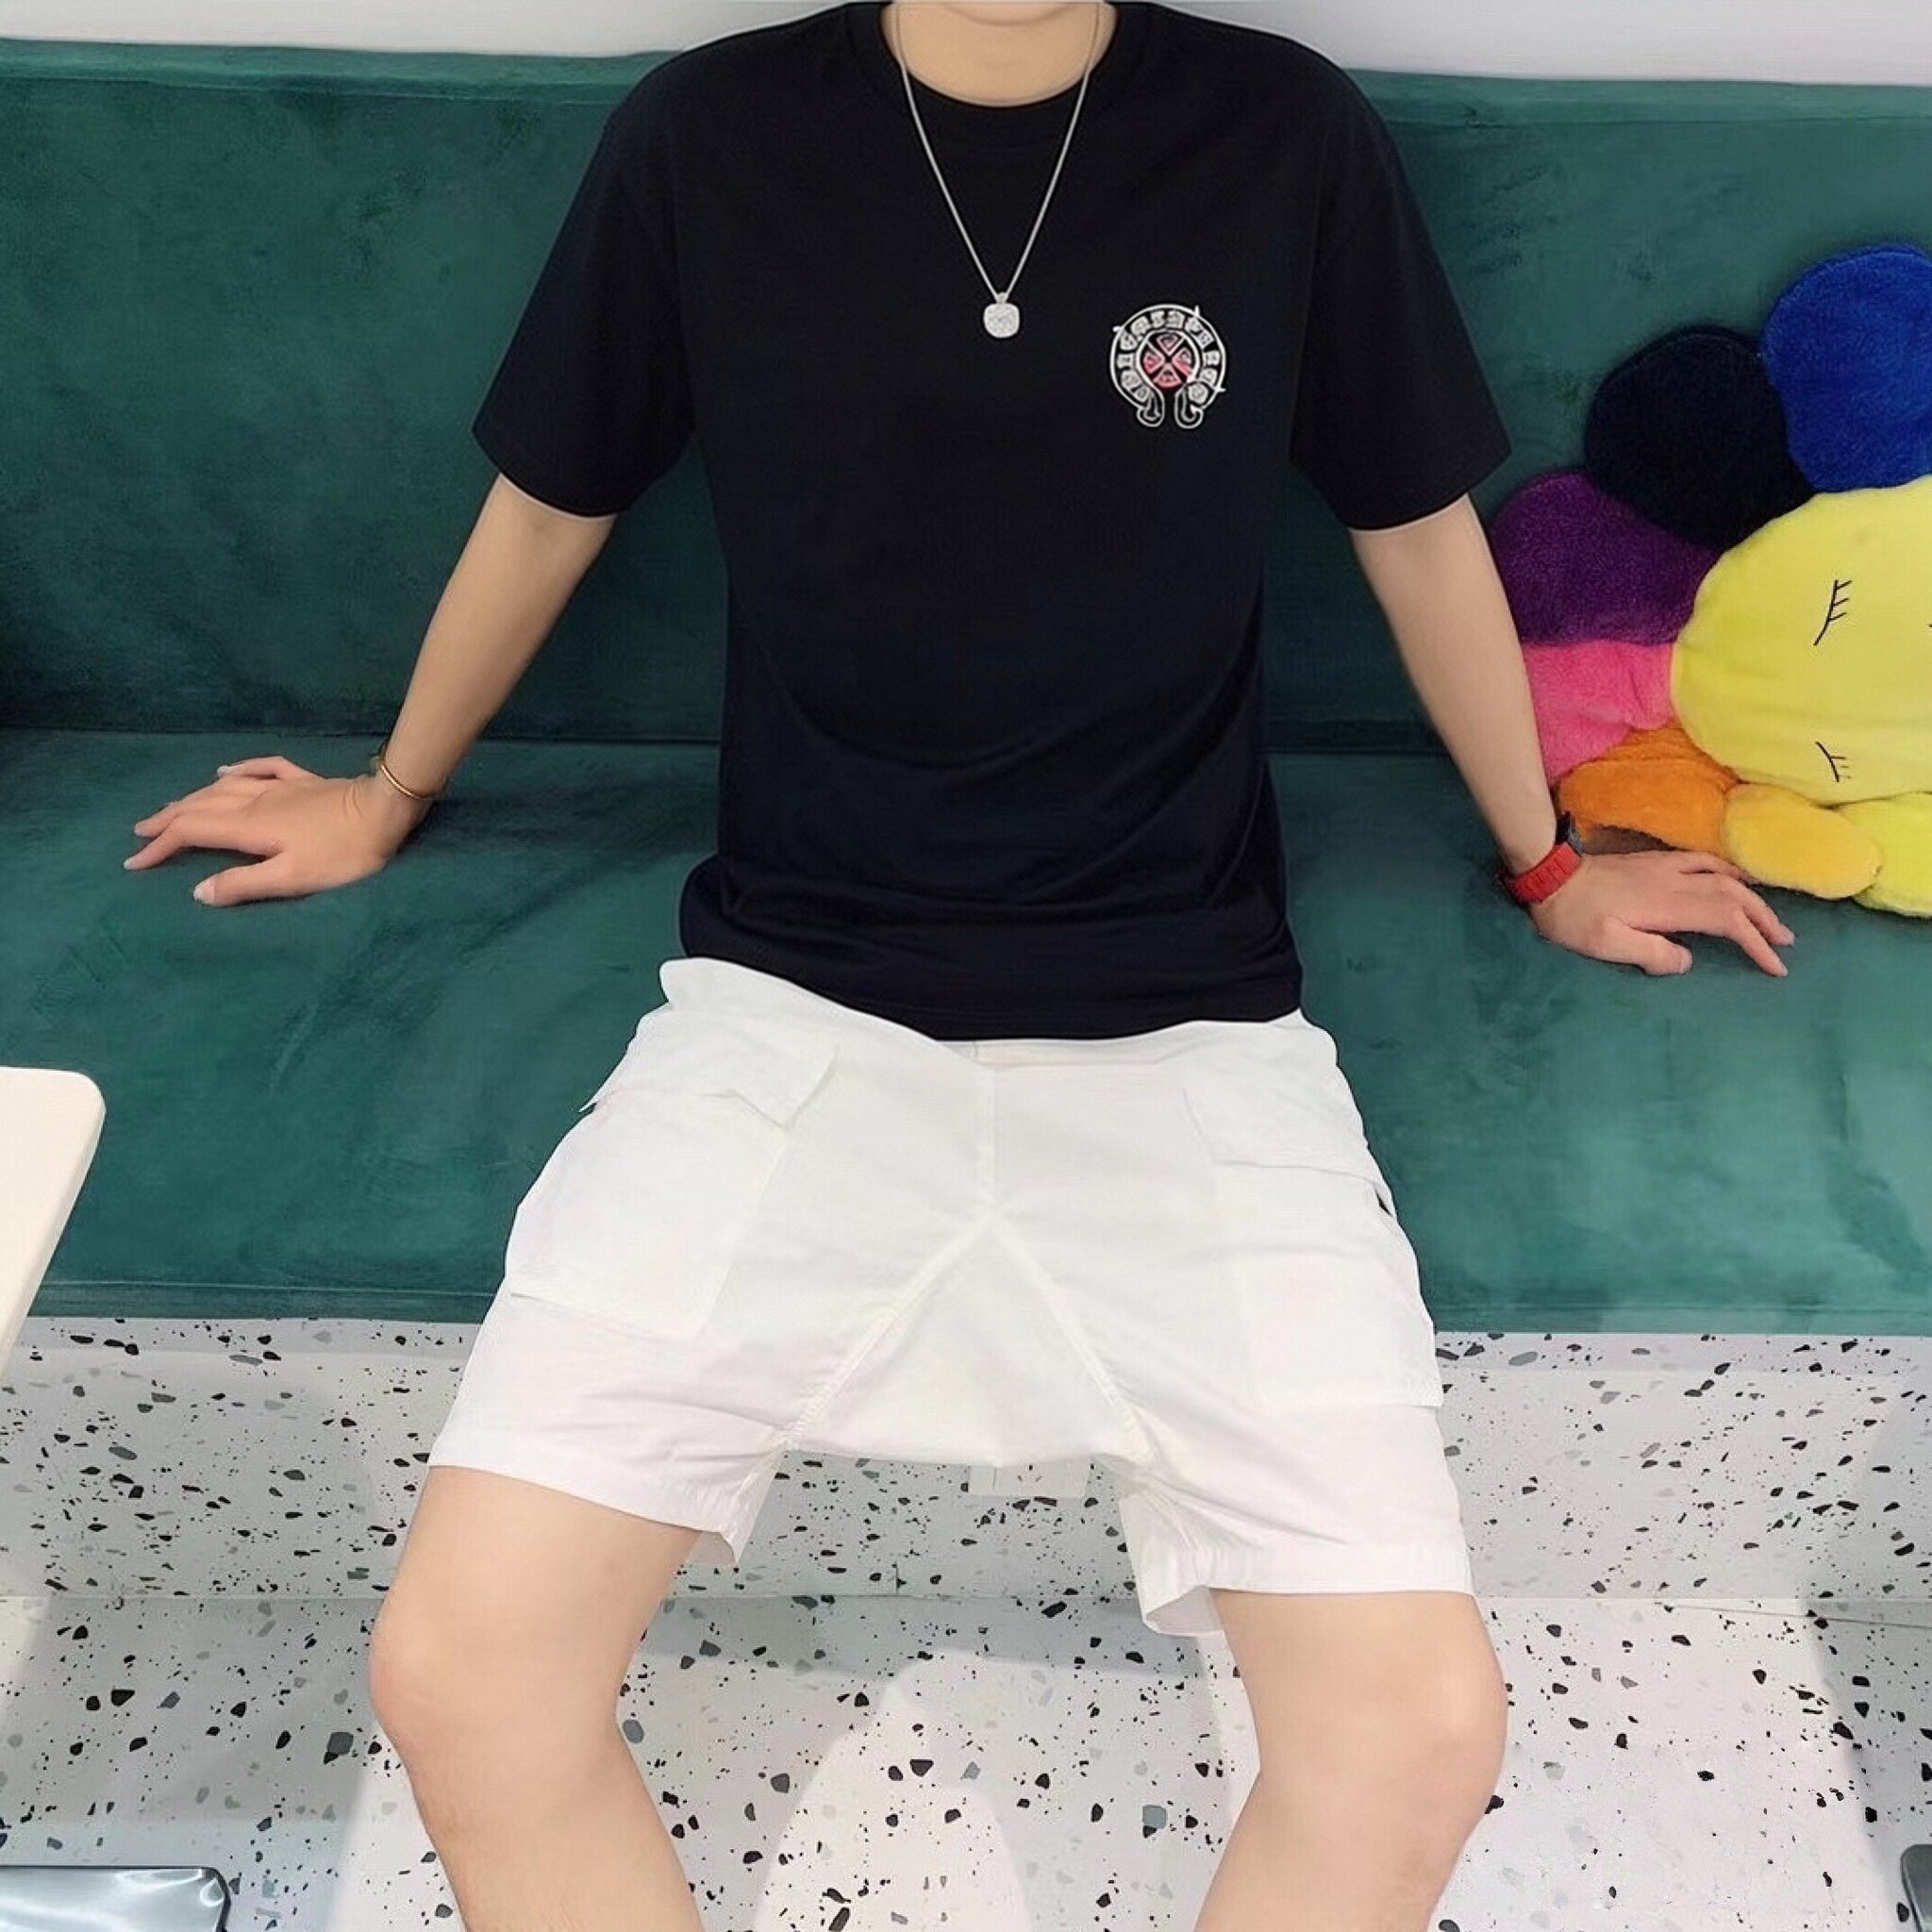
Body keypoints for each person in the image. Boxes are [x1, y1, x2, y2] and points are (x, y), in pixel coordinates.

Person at [125, 4, 1795, 1926]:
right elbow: (551, 502)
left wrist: (1548, 860)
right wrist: (392, 791)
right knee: (460, 1673)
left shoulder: (1281, 133)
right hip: (790, 1014)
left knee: (1417, 1735)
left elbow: (1413, 526)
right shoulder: (709, 135)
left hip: (1190, 1030)